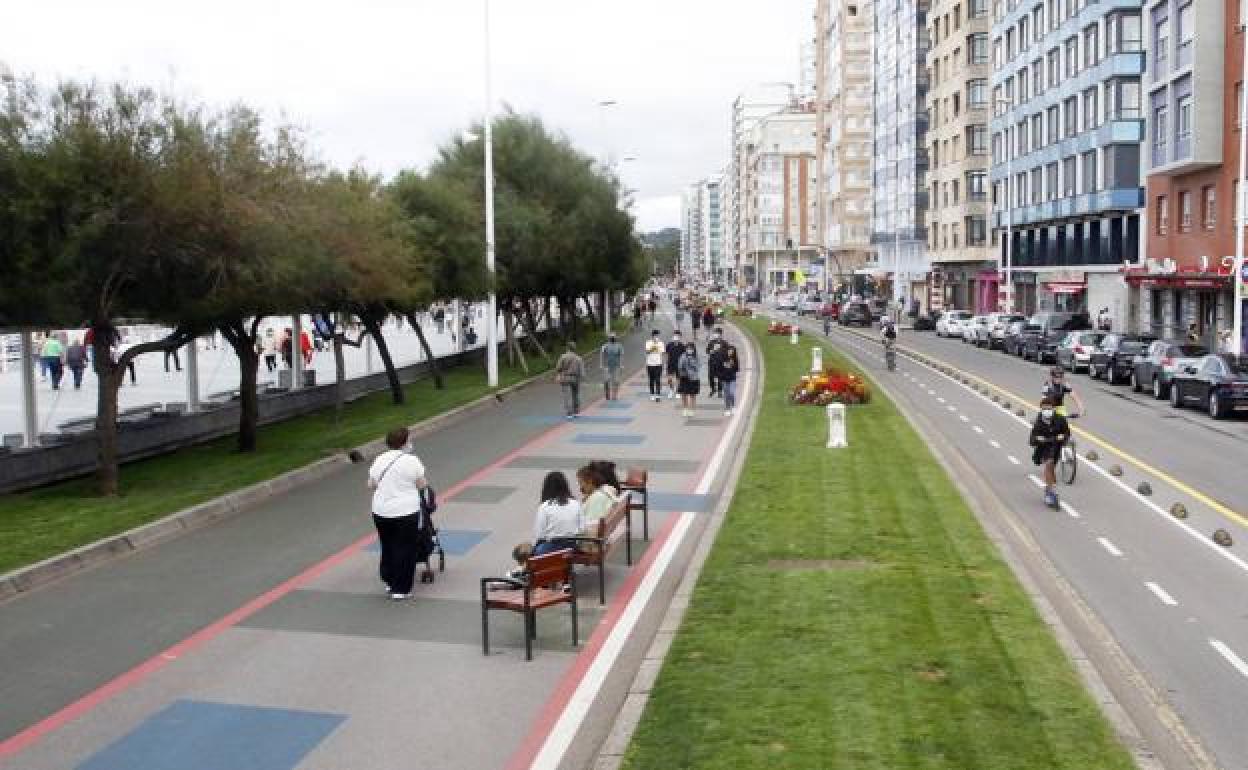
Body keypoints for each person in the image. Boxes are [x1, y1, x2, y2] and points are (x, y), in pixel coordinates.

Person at [367, 426, 431, 600]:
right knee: (405, 548)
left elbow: (371, 485)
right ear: (405, 442)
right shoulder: (412, 461)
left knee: (387, 545)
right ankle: (401, 588)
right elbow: (422, 484)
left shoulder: (379, 459)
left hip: (380, 510)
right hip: (405, 511)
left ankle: (389, 579)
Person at [1029, 396, 1070, 509]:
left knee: (1051, 466)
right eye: (1044, 408)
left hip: (1056, 447)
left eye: (1049, 408)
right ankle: (1051, 491)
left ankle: (1048, 488)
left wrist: (1063, 437)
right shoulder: (1038, 423)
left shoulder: (1060, 419)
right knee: (1048, 463)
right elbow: (1031, 440)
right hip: (1043, 448)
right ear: (1041, 409)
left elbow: (1067, 432)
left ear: (1053, 409)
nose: (1047, 410)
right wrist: (1038, 439)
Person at [532, 471, 582, 556]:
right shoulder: (575, 503)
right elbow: (582, 527)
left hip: (553, 546)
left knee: (532, 551)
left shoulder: (545, 506)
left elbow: (539, 534)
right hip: (573, 545)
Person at [554, 341, 585, 419]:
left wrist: (558, 375)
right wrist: (582, 378)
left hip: (565, 377)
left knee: (566, 396)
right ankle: (576, 412)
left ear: (567, 348)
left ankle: (569, 413)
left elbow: (558, 368)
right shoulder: (578, 358)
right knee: (576, 395)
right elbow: (582, 371)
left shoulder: (563, 357)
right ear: (574, 348)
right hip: (575, 378)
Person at [677, 341, 701, 418]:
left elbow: (697, 367)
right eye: (688, 348)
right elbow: (680, 366)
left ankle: (692, 410)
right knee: (683, 394)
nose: (689, 350)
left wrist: (691, 361)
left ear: (694, 349)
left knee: (692, 395)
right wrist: (684, 363)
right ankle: (685, 409)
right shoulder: (683, 356)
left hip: (693, 378)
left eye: (691, 348)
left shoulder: (696, 357)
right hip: (684, 377)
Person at [600, 333, 624, 401]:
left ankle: (614, 395)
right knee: (606, 380)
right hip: (607, 366)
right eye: (611, 337)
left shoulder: (619, 346)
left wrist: (621, 365)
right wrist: (601, 364)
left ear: (616, 338)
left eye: (613, 337)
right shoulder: (605, 346)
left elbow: (621, 355)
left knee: (616, 381)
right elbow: (602, 355)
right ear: (609, 338)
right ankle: (607, 394)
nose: (612, 339)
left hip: (616, 366)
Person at [644, 330, 665, 402]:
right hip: (650, 364)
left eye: (658, 335)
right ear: (652, 336)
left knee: (658, 379)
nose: (657, 337)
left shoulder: (661, 343)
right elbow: (647, 351)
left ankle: (658, 395)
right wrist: (654, 346)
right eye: (656, 335)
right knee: (651, 379)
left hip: (658, 363)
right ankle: (652, 394)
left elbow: (662, 352)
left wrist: (657, 345)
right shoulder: (648, 342)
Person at [705, 328, 727, 397]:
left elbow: (727, 353)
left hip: (720, 363)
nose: (715, 335)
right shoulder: (711, 342)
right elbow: (707, 351)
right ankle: (713, 389)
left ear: (720, 334)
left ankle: (720, 391)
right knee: (711, 377)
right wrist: (712, 350)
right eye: (715, 333)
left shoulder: (724, 343)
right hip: (712, 362)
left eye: (717, 333)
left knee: (720, 377)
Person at [719, 344, 740, 417]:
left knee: (731, 392)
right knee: (726, 394)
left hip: (732, 379)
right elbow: (719, 368)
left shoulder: (735, 359)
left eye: (732, 351)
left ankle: (733, 407)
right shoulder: (723, 358)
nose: (730, 352)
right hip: (724, 379)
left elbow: (737, 369)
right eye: (729, 350)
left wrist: (732, 365)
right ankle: (727, 409)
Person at [664, 331, 684, 400]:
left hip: (679, 365)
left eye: (678, 336)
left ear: (680, 337)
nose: (676, 337)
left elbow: (683, 356)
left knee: (678, 379)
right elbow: (666, 354)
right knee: (669, 379)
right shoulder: (669, 345)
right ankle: (671, 390)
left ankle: (678, 392)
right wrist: (666, 363)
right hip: (670, 364)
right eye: (675, 335)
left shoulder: (682, 346)